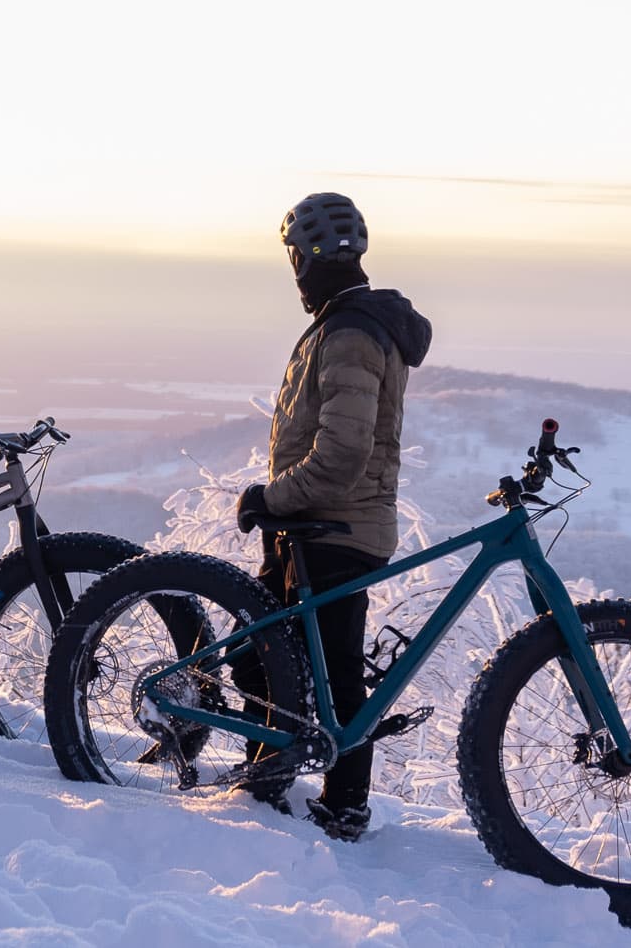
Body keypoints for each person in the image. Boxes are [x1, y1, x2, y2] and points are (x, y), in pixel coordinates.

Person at [234, 192, 432, 841]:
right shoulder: (349, 322)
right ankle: (276, 780)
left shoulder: (349, 331)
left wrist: (273, 498)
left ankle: (334, 804)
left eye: (294, 257)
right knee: (272, 657)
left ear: (305, 258)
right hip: (327, 528)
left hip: (333, 528)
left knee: (324, 670)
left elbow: (343, 452)